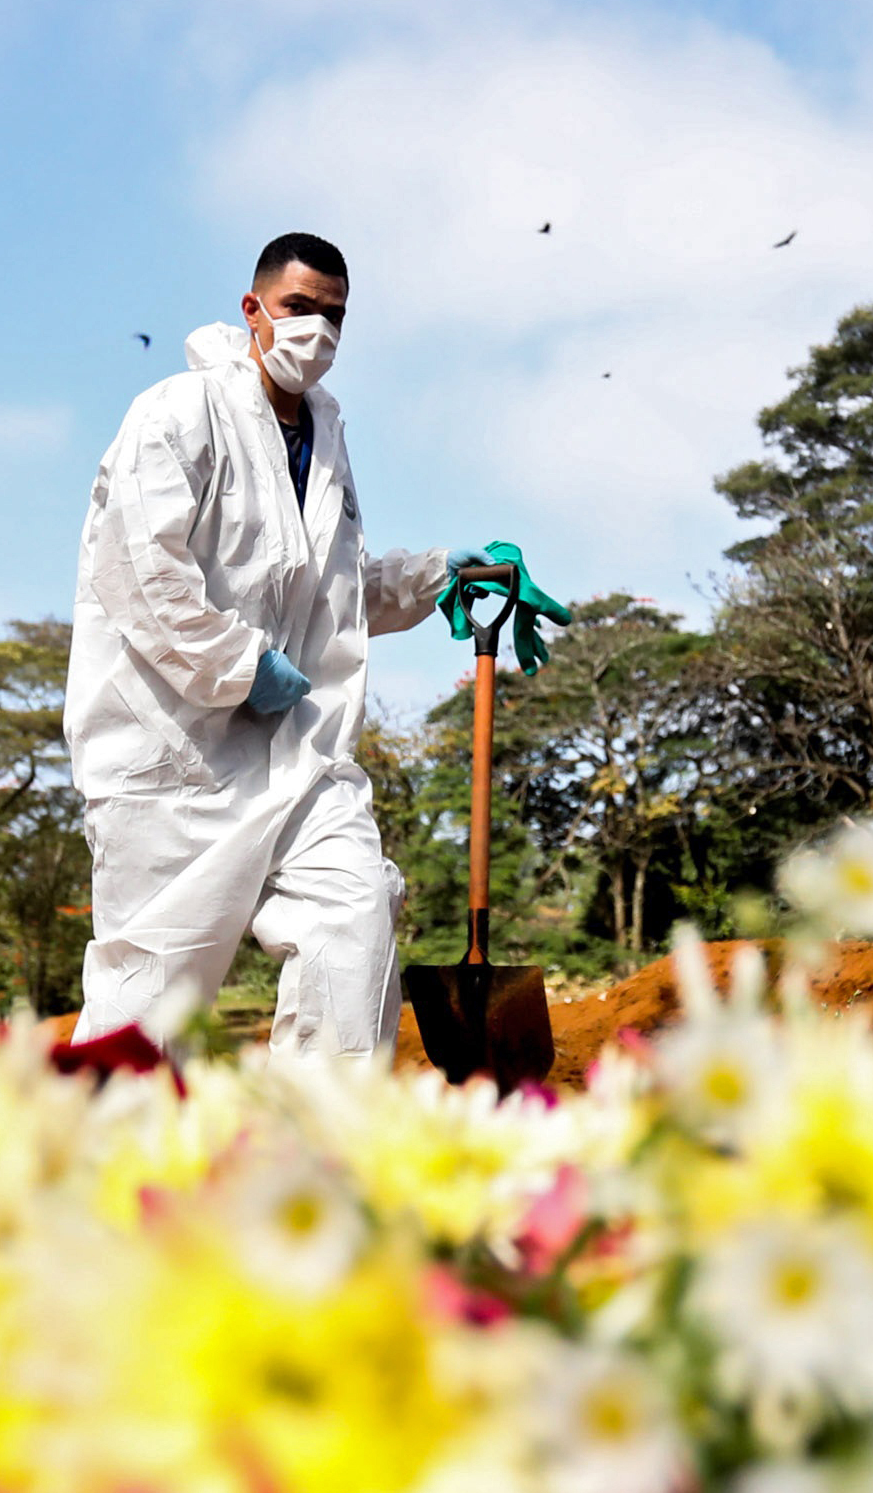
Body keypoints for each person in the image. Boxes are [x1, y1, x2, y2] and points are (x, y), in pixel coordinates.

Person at [67, 230, 564, 1055]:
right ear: (254, 308)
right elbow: (138, 572)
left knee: (356, 928)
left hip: (300, 755)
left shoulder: (326, 438)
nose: (317, 332)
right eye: (300, 309)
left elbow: (332, 594)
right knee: (148, 999)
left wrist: (442, 574)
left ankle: (313, 1157)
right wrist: (238, 665)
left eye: (334, 316)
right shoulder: (178, 414)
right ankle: (86, 1174)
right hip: (174, 760)